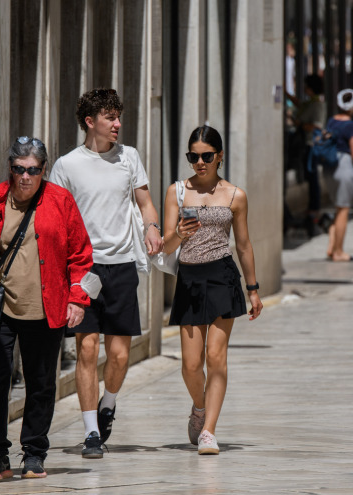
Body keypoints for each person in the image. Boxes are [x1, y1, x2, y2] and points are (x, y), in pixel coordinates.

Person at [0, 136, 94, 480]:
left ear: (44, 170)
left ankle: (34, 453)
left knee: (41, 383)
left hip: (47, 308)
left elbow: (81, 256)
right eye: (19, 169)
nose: (26, 176)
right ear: (10, 170)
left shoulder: (61, 201)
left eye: (33, 170)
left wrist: (77, 298)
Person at [50, 88, 164, 458]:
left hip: (121, 265)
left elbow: (145, 202)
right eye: (110, 118)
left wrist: (152, 227)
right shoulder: (67, 165)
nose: (118, 124)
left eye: (119, 117)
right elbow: (55, 220)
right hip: (83, 270)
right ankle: (90, 434)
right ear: (90, 122)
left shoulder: (129, 157)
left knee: (117, 356)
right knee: (87, 349)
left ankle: (108, 404)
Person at [162, 125, 263, 454]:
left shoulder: (235, 195)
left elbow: (244, 246)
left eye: (207, 156)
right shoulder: (176, 191)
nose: (200, 162)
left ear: (219, 156)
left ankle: (208, 431)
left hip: (222, 276)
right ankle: (200, 408)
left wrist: (253, 289)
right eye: (194, 156)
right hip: (190, 279)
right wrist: (179, 232)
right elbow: (165, 246)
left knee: (215, 356)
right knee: (191, 364)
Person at [323, 89, 353, 261]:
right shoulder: (350, 125)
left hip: (329, 167)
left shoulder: (331, 121)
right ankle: (339, 252)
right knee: (343, 210)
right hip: (343, 166)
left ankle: (331, 247)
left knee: (337, 207)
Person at [288, 74, 327, 233]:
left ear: (310, 87)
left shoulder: (317, 104)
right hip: (306, 144)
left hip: (311, 145)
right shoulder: (310, 102)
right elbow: (300, 104)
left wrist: (300, 124)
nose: (303, 88)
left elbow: (317, 125)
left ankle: (314, 208)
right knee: (309, 176)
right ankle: (312, 207)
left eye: (305, 85)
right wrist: (286, 92)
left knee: (312, 177)